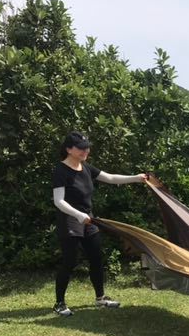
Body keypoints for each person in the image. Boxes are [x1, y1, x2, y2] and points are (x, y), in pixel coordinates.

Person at [52, 131, 146, 317]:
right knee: (69, 262)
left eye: (87, 148)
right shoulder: (60, 170)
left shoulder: (86, 167)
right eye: (81, 148)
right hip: (70, 218)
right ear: (69, 149)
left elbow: (110, 178)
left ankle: (100, 298)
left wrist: (136, 178)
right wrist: (78, 215)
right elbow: (59, 201)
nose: (85, 151)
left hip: (88, 219)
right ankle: (59, 303)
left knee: (96, 259)